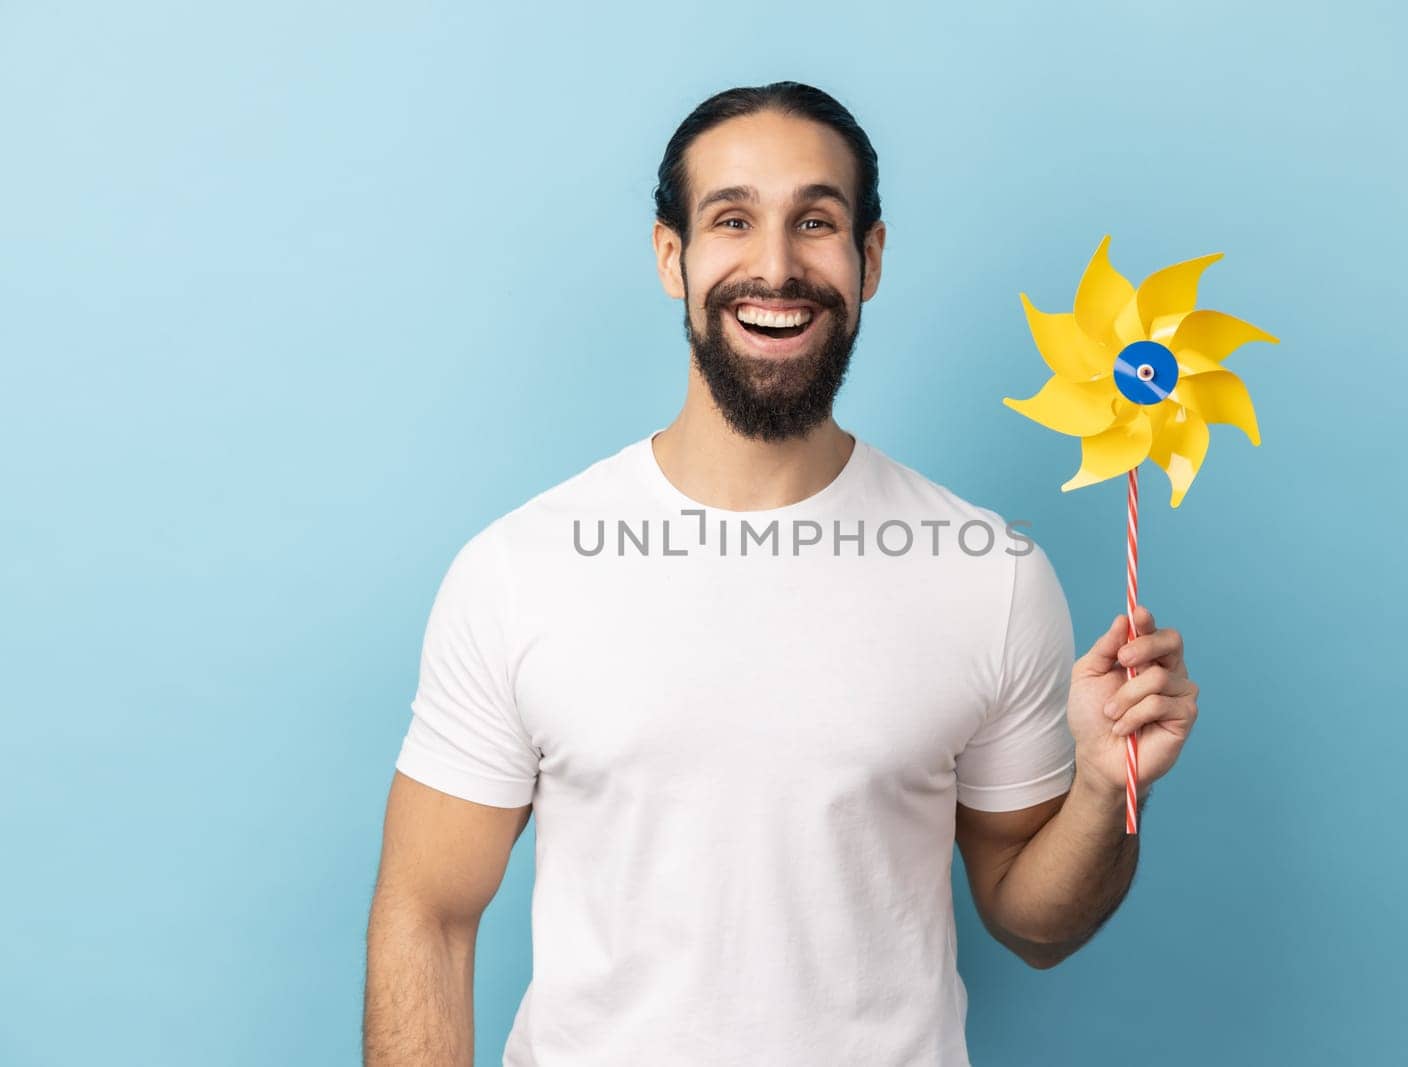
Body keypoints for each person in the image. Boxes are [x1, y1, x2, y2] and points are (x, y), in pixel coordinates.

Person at [363, 81, 1201, 1067]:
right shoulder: (518, 570)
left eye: (815, 221)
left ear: (868, 258)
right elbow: (428, 915)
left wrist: (1107, 792)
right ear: (671, 257)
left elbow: (1034, 920)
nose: (774, 266)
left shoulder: (992, 573)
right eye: (731, 219)